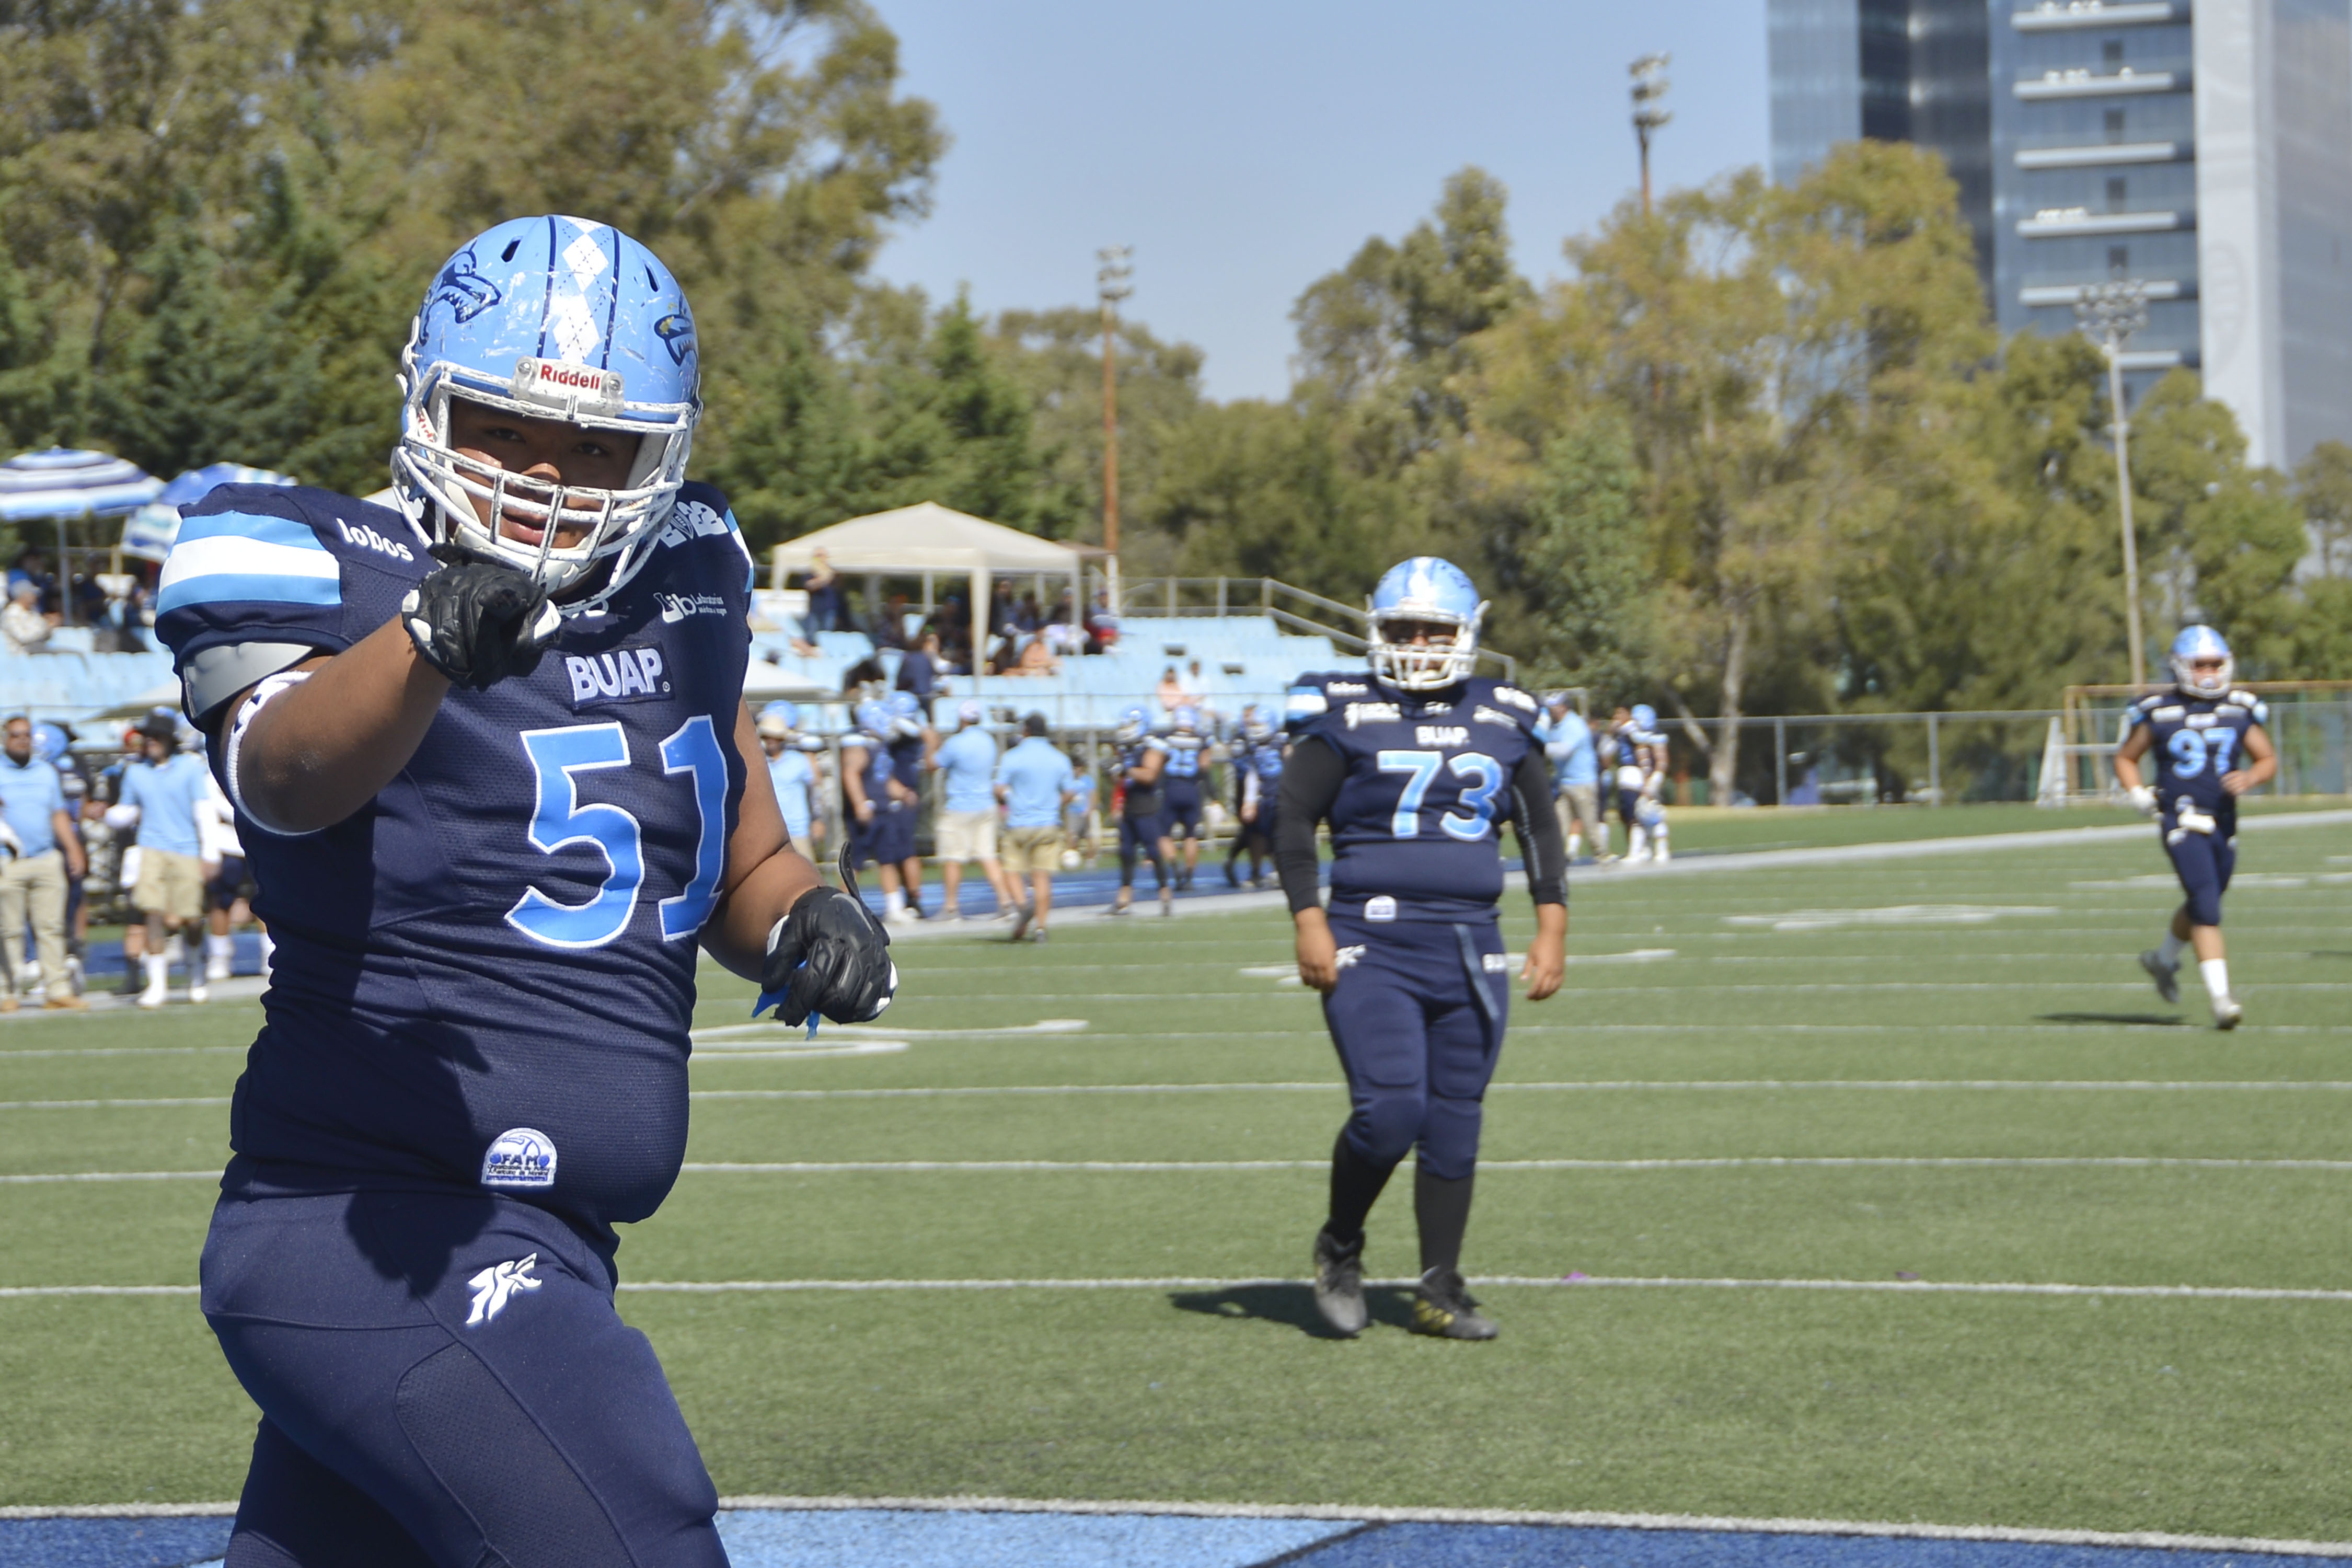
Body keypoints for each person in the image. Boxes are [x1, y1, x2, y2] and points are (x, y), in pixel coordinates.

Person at [151, 215, 893, 1567]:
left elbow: (731, 837)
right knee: (640, 1540)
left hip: (555, 1231)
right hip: (379, 1230)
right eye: (505, 429)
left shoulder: (689, 580)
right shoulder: (318, 564)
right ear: (430, 402)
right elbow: (283, 772)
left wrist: (799, 914)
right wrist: (425, 642)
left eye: (598, 447)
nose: (548, 476)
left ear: (660, 452)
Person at [1277, 557, 1567, 1341]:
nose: (1416, 644)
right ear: (1375, 631)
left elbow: (1539, 825)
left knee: (1455, 1120)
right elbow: (1294, 819)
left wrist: (1552, 924)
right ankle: (1341, 1243)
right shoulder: (1342, 710)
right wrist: (1309, 918)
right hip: (1373, 935)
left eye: (1432, 630)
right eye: (1402, 629)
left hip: (1473, 942)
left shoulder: (1505, 715)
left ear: (1466, 635)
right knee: (1391, 1110)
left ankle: (1440, 1286)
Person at [2114, 625, 2276, 1029]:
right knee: (2206, 903)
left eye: (2215, 663)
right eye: (2200, 664)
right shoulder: (2160, 710)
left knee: (2204, 899)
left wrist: (2252, 778)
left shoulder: (2239, 709)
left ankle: (2163, 959)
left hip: (2223, 820)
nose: (2208, 671)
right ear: (2181, 667)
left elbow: (2267, 759)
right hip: (2181, 817)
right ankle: (2222, 999)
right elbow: (2126, 757)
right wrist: (2137, 793)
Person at [112, 711, 212, 1007]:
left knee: (192, 918)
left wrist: (210, 853)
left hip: (186, 849)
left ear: (170, 739)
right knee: (152, 914)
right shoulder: (136, 772)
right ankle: (158, 985)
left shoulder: (190, 768)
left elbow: (203, 811)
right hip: (150, 848)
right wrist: (112, 815)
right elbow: (126, 810)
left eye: (156, 736)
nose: (150, 741)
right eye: (147, 736)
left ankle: (196, 975)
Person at [0, 713, 87, 1009]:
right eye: (16, 735)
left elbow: (58, 813)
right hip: (7, 861)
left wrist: (73, 849)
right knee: (8, 929)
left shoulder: (45, 772)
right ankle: (7, 991)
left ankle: (57, 989)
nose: (22, 740)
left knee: (50, 927)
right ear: (5, 738)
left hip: (46, 857)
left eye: (26, 735)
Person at [995, 713, 1077, 941]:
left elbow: (1000, 788)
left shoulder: (1013, 756)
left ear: (1026, 731)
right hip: (1048, 822)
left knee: (1011, 870)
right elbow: (1070, 791)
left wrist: (1011, 799)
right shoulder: (1059, 758)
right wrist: (1055, 804)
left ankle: (1023, 907)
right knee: (1041, 877)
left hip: (1019, 822)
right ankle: (1041, 927)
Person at [933, 699, 1014, 921]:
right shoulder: (988, 741)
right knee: (988, 855)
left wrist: (931, 744)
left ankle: (951, 907)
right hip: (985, 803)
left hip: (960, 805)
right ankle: (1005, 901)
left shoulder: (956, 743)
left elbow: (934, 763)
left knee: (953, 857)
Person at [844, 699, 923, 921]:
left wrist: (903, 792)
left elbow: (882, 778)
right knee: (855, 864)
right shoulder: (859, 743)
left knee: (887, 860)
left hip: (883, 808)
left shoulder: (879, 745)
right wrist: (860, 803)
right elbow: (851, 774)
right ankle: (840, 907)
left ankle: (894, 907)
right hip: (867, 811)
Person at [1110, 704, 1173, 916]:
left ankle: (1165, 893)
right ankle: (1124, 898)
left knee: (1153, 852)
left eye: (1130, 725)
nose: (1126, 729)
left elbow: (1149, 775)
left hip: (1147, 806)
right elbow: (1123, 779)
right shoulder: (1126, 748)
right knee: (1126, 852)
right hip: (1130, 805)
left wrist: (1126, 770)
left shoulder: (1152, 746)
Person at [1536, 692, 1607, 863]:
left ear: (1564, 707)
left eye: (1555, 707)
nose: (1552, 710)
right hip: (1564, 782)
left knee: (1590, 823)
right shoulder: (1556, 726)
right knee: (1558, 822)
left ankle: (1602, 856)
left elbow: (1564, 751)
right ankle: (1554, 857)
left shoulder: (1574, 725)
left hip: (1582, 782)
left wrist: (1539, 748)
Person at [1225, 705, 1284, 889]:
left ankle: (1282, 871)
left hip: (1282, 794)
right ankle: (1259, 871)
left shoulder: (1283, 743)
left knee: (1282, 834)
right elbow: (1252, 774)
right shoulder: (1250, 745)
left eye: (1258, 724)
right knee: (1259, 833)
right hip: (1262, 795)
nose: (1254, 728)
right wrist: (1249, 801)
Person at [756, 702, 822, 855]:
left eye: (775, 737)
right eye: (767, 736)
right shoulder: (759, 762)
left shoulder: (799, 760)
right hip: (769, 831)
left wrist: (817, 820)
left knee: (807, 875)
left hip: (798, 829)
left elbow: (813, 792)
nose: (771, 741)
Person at [1159, 705, 1208, 890]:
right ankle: (1188, 876)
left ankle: (1175, 869)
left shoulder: (1167, 739)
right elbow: (1204, 767)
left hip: (1171, 788)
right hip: (1191, 788)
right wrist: (1212, 795)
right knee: (1190, 834)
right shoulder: (1200, 739)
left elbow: (1158, 763)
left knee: (1163, 834)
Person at [2, 580, 50, 653]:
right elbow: (23, 637)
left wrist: (49, 624)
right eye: (32, 594)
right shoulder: (11, 614)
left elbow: (42, 628)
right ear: (23, 595)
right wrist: (44, 628)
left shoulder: (33, 611)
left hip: (37, 650)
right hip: (20, 654)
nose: (35, 597)